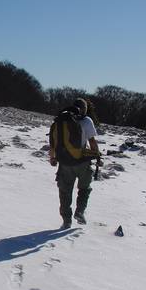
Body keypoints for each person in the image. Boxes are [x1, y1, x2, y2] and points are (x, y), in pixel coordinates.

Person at [49, 98, 100, 229]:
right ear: (85, 109)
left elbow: (53, 142)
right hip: (82, 161)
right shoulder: (86, 121)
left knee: (65, 191)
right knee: (84, 188)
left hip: (64, 162)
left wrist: (53, 158)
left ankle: (66, 220)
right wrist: (97, 155)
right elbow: (92, 141)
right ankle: (80, 212)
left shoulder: (62, 120)